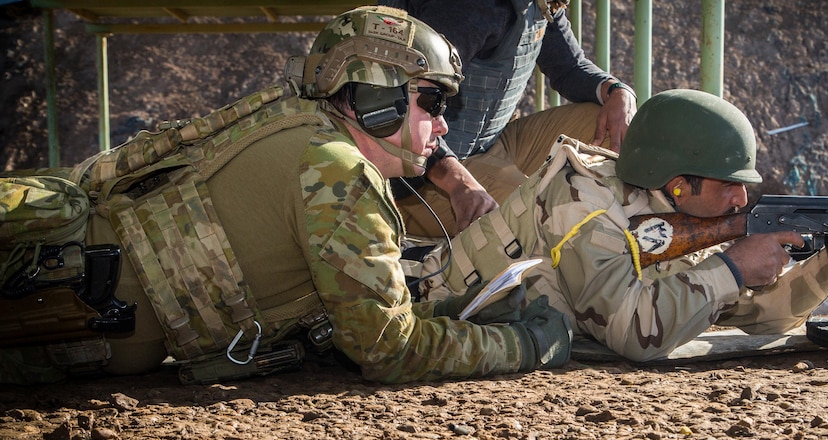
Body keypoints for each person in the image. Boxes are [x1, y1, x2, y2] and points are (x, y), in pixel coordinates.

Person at [0, 6, 571, 386]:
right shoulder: (337, 171)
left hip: (67, 308)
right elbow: (385, 346)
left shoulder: (304, 133)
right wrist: (520, 346)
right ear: (376, 96)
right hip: (44, 309)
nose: (443, 127)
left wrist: (465, 313)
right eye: (434, 103)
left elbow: (357, 314)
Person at [417, 88, 828, 362]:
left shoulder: (673, 215)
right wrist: (731, 266)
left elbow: (758, 316)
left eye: (744, 187)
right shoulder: (583, 201)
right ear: (678, 182)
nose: (741, 199)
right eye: (728, 185)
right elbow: (635, 335)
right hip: (425, 304)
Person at [380, 0, 638, 237]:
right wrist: (459, 183)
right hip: (426, 178)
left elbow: (569, 67)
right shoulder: (468, 9)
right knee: (541, 219)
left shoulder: (537, 3)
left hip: (493, 143)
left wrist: (617, 91)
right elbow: (405, 105)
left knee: (601, 121)